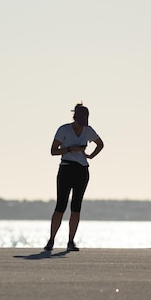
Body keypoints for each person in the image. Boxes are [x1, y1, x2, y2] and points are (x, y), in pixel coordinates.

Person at [44, 103, 104, 252]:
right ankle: (51, 240)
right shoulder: (64, 129)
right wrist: (71, 149)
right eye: (79, 121)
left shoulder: (88, 130)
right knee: (61, 206)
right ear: (74, 117)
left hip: (82, 171)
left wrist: (90, 156)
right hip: (66, 168)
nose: (81, 126)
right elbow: (53, 151)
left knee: (76, 207)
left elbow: (100, 144)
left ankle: (71, 241)